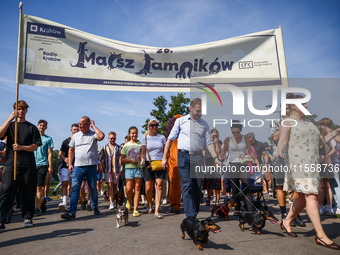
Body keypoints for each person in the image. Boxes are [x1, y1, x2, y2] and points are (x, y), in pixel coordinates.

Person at [277, 96, 340, 250]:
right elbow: (283, 140)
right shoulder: (287, 122)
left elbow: (319, 142)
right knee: (311, 195)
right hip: (297, 164)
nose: (306, 105)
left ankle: (286, 221)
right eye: (303, 103)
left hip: (312, 164)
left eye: (306, 103)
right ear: (293, 106)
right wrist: (279, 151)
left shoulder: (309, 123)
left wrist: (334, 133)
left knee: (305, 198)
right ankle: (321, 236)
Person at [162, 98, 221, 218]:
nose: (200, 114)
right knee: (186, 185)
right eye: (198, 111)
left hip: (198, 157)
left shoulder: (204, 124)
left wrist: (215, 157)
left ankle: (194, 212)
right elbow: (170, 139)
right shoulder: (180, 121)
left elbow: (209, 142)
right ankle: (191, 217)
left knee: (197, 187)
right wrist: (164, 158)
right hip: (183, 156)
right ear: (191, 108)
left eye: (201, 112)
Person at [0, 100, 42, 231]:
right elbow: (0, 134)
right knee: (6, 190)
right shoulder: (11, 126)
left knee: (28, 191)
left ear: (26, 111)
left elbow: (35, 146)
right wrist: (9, 118)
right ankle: (1, 219)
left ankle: (28, 216)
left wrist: (21, 147)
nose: (21, 111)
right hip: (11, 164)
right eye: (18, 109)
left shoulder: (32, 127)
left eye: (23, 109)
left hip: (27, 165)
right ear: (15, 110)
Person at [61, 116, 105, 220]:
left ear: (88, 124)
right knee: (75, 188)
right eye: (79, 124)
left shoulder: (93, 134)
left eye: (83, 124)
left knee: (93, 188)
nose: (80, 126)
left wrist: (94, 126)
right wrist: (70, 164)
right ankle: (72, 212)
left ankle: (95, 207)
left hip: (91, 166)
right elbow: (71, 150)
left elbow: (101, 136)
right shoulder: (76, 136)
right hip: (78, 166)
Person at [270, 103, 306, 227]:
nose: (286, 111)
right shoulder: (276, 121)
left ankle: (295, 214)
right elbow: (274, 137)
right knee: (280, 187)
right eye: (284, 109)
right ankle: (284, 214)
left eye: (288, 108)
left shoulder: (298, 121)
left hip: (295, 157)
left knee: (296, 187)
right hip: (279, 158)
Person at [221, 121, 260, 215]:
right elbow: (223, 151)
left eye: (237, 132)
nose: (235, 134)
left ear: (241, 130)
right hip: (233, 165)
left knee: (246, 186)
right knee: (235, 189)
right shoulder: (227, 139)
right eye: (233, 132)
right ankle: (237, 209)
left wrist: (257, 162)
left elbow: (250, 151)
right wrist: (220, 156)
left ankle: (250, 210)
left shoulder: (245, 138)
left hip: (244, 164)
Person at [141, 119, 166, 219]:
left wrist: (165, 160)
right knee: (148, 188)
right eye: (152, 125)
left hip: (160, 163)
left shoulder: (162, 137)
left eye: (156, 125)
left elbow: (165, 151)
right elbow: (143, 152)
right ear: (149, 127)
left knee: (159, 186)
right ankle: (150, 203)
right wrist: (142, 159)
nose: (154, 127)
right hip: (148, 164)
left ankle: (157, 211)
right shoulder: (145, 138)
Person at [121, 126, 143, 217]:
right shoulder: (126, 145)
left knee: (137, 188)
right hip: (129, 168)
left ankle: (135, 209)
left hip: (138, 168)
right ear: (129, 134)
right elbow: (122, 159)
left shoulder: (140, 144)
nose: (134, 135)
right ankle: (129, 201)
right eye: (133, 133)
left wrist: (140, 157)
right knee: (129, 189)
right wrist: (131, 161)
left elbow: (143, 155)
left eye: (136, 133)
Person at [34, 120, 54, 216]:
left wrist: (50, 166)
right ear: (37, 126)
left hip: (43, 164)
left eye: (43, 125)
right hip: (32, 164)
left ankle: (37, 208)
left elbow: (50, 153)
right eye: (40, 125)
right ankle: (41, 203)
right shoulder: (32, 138)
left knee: (39, 187)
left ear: (46, 127)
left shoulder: (48, 139)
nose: (41, 127)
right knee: (33, 187)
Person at [58, 123, 79, 212]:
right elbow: (60, 153)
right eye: (74, 129)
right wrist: (64, 158)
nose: (75, 131)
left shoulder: (80, 141)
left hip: (77, 165)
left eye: (77, 130)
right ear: (71, 130)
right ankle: (64, 203)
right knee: (65, 183)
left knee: (76, 185)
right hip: (65, 166)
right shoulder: (66, 141)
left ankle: (76, 202)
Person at [99, 131, 121, 210]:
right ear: (108, 138)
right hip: (108, 170)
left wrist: (120, 168)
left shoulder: (118, 147)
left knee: (115, 186)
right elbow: (99, 158)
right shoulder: (104, 147)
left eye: (114, 138)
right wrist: (101, 166)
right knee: (110, 185)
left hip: (116, 169)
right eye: (111, 138)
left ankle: (115, 201)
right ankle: (111, 202)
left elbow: (121, 158)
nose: (113, 140)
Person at [166, 115, 182, 213]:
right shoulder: (172, 137)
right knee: (174, 181)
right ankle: (175, 203)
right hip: (174, 162)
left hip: (185, 160)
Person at [203, 128, 222, 205]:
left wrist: (216, 143)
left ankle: (217, 200)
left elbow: (218, 153)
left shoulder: (219, 142)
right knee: (208, 181)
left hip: (216, 163)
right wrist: (204, 164)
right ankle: (208, 197)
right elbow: (203, 153)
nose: (215, 137)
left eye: (216, 135)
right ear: (210, 135)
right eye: (213, 135)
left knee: (217, 181)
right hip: (208, 162)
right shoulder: (206, 142)